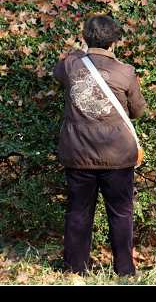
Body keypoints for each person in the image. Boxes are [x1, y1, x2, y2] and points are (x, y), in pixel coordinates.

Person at [52, 15, 146, 277]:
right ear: (114, 41)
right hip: (118, 156)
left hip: (78, 154)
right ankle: (125, 270)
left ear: (84, 38)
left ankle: (75, 269)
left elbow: (56, 73)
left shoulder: (71, 65)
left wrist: (80, 52)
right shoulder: (125, 71)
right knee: (121, 213)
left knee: (78, 212)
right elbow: (138, 111)